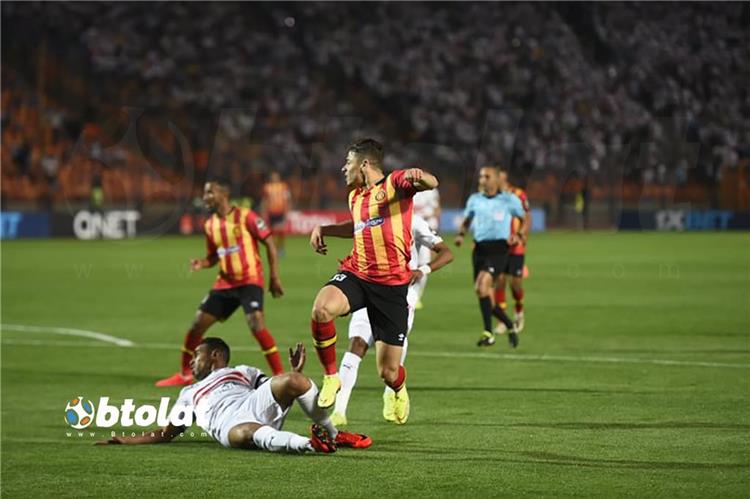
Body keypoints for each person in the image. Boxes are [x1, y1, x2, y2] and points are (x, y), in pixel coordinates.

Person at [308, 138, 439, 424]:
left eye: (348, 162)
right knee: (321, 309)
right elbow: (356, 227)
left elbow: (431, 182)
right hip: (358, 273)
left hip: (391, 286)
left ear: (364, 164)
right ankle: (331, 376)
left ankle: (398, 389)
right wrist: (324, 228)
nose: (343, 168)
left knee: (388, 372)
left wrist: (419, 175)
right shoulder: (355, 196)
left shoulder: (395, 185)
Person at [98, 338, 371, 453]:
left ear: (215, 355)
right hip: (229, 423)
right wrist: (126, 439)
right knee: (246, 432)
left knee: (295, 380)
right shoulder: (188, 393)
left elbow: (274, 387)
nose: (191, 361)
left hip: (252, 403)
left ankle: (333, 434)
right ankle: (311, 445)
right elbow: (166, 433)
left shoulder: (242, 371)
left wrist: (293, 373)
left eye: (197, 355)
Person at [155, 179, 285, 387]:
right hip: (224, 284)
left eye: (209, 192)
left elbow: (269, 242)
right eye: (204, 193)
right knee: (197, 325)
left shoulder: (246, 216)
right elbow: (214, 256)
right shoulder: (210, 225)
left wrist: (274, 278)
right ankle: (185, 374)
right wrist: (202, 263)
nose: (205, 197)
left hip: (249, 280)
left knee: (256, 323)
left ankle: (280, 375)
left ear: (224, 194)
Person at [330, 214, 453, 426]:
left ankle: (393, 391)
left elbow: (446, 252)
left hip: (400, 295)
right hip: (368, 289)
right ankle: (339, 412)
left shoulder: (413, 221)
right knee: (357, 343)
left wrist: (422, 270)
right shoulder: (368, 216)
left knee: (390, 365)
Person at [454, 166, 525, 348]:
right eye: (481, 176)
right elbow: (467, 220)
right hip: (479, 249)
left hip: (499, 249)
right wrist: (461, 234)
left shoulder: (509, 200)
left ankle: (488, 333)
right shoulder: (475, 200)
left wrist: (519, 235)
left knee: (483, 284)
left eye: (486, 176)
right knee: (482, 292)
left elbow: (524, 218)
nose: (482, 179)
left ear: (495, 179)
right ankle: (509, 325)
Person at [494, 170, 531, 334]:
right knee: (500, 281)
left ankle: (519, 312)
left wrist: (522, 235)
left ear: (505, 178)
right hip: (499, 246)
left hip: (516, 246)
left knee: (516, 284)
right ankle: (502, 321)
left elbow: (527, 216)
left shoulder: (518, 194)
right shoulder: (493, 196)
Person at [411, 187, 441, 309]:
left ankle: (417, 296)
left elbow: (437, 209)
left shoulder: (431, 190)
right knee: (411, 262)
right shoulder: (408, 189)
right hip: (410, 227)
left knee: (423, 263)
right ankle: (410, 293)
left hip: (426, 227)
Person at [261, 171, 292, 257]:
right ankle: (274, 248)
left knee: (281, 231)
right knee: (273, 232)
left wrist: (288, 210)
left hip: (280, 211)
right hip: (271, 212)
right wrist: (264, 211)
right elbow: (265, 200)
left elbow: (287, 199)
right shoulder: (267, 187)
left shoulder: (283, 186)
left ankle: (281, 248)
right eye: (273, 177)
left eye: (276, 177)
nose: (274, 178)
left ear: (279, 178)